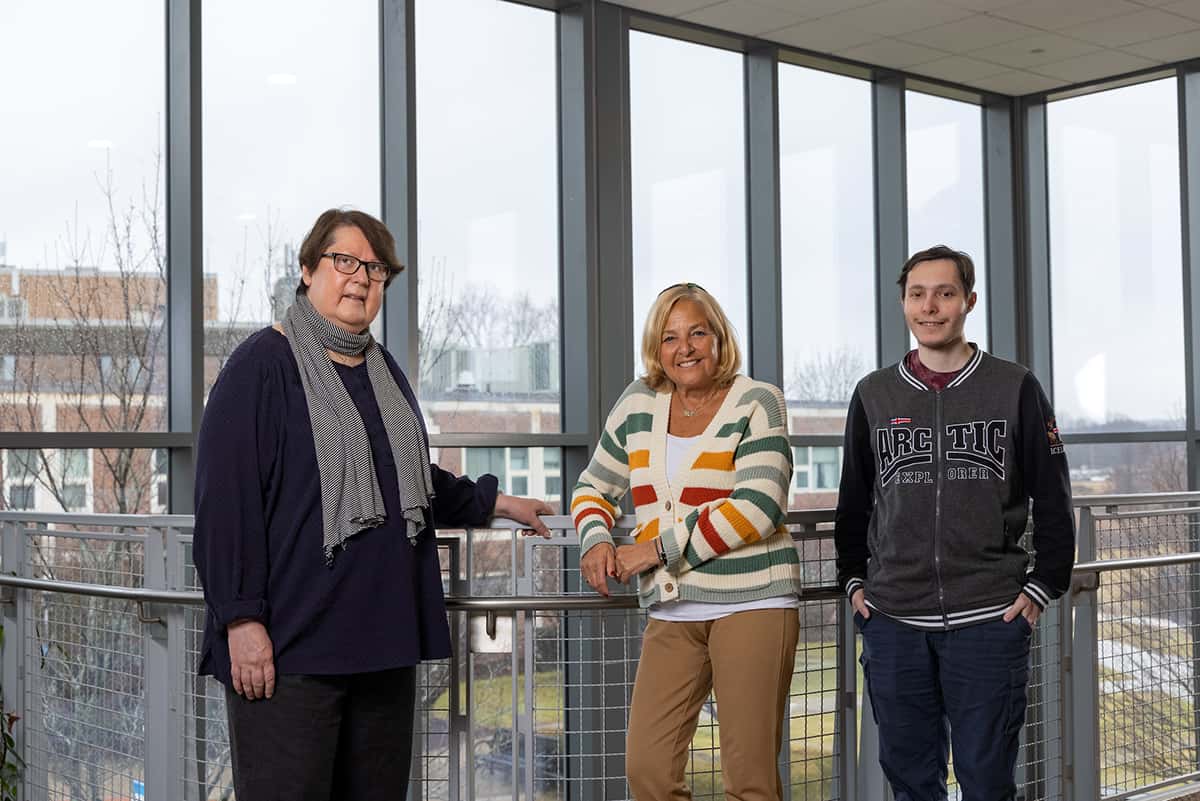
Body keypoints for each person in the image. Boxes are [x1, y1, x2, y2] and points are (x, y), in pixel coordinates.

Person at [192, 208, 554, 801]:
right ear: (307, 269)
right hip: (292, 649)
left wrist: (497, 502)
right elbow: (224, 504)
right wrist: (240, 620)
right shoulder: (260, 366)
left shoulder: (383, 370)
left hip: (384, 644)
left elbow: (405, 477)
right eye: (345, 261)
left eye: (376, 268)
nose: (361, 277)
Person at [834, 245, 1075, 801]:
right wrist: (853, 581)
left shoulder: (1014, 386)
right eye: (917, 294)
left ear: (969, 301)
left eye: (944, 293)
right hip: (894, 621)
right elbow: (855, 501)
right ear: (903, 303)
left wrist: (1043, 585)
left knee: (987, 783)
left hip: (989, 619)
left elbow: (1054, 495)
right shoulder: (873, 394)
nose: (930, 307)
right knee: (911, 781)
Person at [572, 283, 802, 801]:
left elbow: (759, 507)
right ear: (656, 348)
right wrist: (595, 539)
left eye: (698, 333)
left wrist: (655, 549)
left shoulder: (758, 401)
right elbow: (593, 487)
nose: (685, 348)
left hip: (754, 603)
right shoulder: (638, 403)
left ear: (719, 338)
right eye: (670, 337)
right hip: (673, 610)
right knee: (648, 770)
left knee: (749, 780)